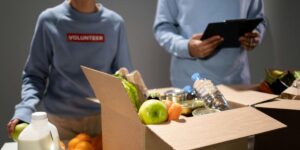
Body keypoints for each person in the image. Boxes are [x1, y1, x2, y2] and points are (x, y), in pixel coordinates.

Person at [7, 0, 133, 140]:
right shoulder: (49, 19)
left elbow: (125, 78)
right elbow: (34, 75)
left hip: (102, 122)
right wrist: (25, 109)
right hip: (59, 124)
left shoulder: (114, 23)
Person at [153, 0, 266, 88]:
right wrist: (187, 47)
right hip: (191, 84)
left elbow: (258, 19)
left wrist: (255, 35)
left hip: (237, 81)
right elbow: (162, 28)